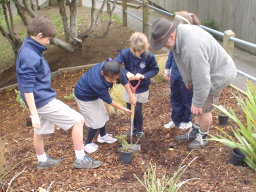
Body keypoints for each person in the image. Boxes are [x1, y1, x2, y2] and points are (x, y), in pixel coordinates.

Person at [16, 16, 102, 169]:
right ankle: (80, 159)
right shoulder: (29, 55)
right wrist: (34, 114)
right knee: (77, 120)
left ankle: (42, 161)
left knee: (39, 131)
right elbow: (26, 86)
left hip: (39, 99)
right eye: (48, 39)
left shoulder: (28, 47)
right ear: (39, 35)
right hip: (42, 100)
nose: (48, 42)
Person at [150, 17, 237, 148]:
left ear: (172, 35)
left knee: (203, 109)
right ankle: (195, 131)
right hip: (205, 73)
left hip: (217, 74)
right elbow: (179, 59)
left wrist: (197, 102)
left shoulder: (192, 48)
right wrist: (187, 79)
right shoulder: (180, 35)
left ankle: (202, 136)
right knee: (196, 106)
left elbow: (202, 79)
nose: (164, 46)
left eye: (164, 43)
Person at [74, 59, 137, 153]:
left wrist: (131, 95)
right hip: (84, 97)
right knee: (95, 122)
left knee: (102, 115)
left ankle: (102, 136)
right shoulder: (97, 82)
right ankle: (87, 144)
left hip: (94, 95)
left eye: (115, 79)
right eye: (111, 80)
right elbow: (108, 100)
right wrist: (124, 109)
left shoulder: (114, 68)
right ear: (103, 73)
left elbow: (124, 80)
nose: (114, 81)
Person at [115, 32, 159, 137]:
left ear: (145, 47)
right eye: (135, 50)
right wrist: (126, 73)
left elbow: (155, 69)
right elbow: (116, 64)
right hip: (128, 86)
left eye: (140, 51)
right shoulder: (125, 53)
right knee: (129, 108)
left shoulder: (149, 57)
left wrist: (143, 76)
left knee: (138, 108)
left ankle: (139, 130)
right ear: (131, 47)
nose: (137, 53)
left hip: (141, 87)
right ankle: (133, 128)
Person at [163, 11, 201, 130]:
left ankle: (186, 120)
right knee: (175, 99)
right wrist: (167, 69)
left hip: (186, 79)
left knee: (186, 99)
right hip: (175, 76)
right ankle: (176, 119)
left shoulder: (191, 42)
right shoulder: (175, 39)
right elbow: (171, 54)